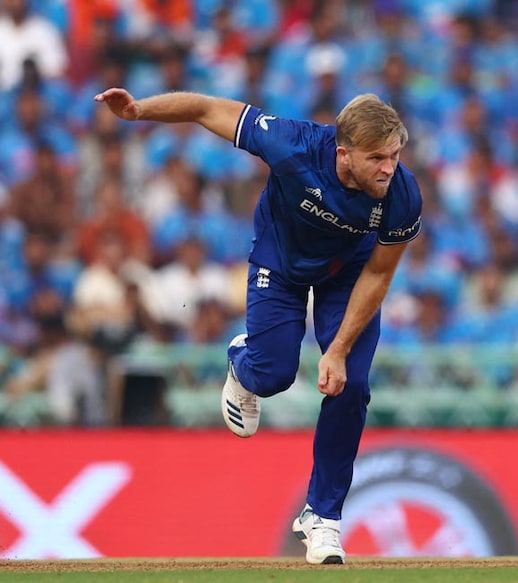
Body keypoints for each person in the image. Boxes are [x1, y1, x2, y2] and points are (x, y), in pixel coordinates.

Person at [94, 87, 422, 565]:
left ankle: (323, 518)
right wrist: (138, 110)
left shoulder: (402, 193)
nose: (388, 168)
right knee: (273, 375)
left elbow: (378, 273)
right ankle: (243, 362)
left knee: (350, 385)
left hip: (346, 275)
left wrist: (336, 351)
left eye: (395, 156)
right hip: (281, 262)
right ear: (343, 152)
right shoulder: (291, 145)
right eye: (377, 158)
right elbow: (207, 109)